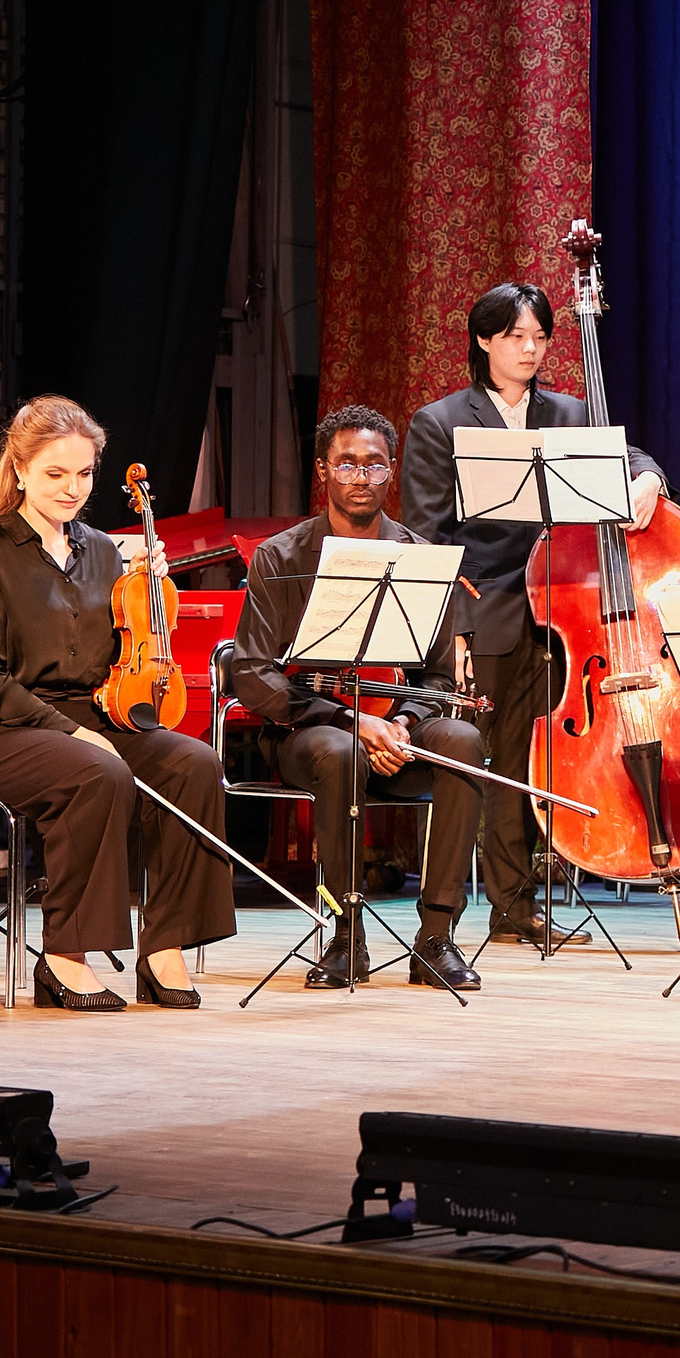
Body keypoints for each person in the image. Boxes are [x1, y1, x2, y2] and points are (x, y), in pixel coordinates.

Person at [0, 395, 236, 1010]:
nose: (72, 489)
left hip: (90, 715)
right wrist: (72, 733)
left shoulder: (102, 550)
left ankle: (165, 948)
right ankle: (65, 956)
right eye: (55, 474)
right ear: (19, 470)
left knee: (194, 763)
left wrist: (145, 592)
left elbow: (117, 652)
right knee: (96, 769)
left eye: (83, 473)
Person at [401, 280, 666, 948]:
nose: (529, 349)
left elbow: (632, 455)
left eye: (540, 337)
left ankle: (528, 899)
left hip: (565, 611)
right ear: (484, 340)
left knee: (544, 759)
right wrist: (453, 629)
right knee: (500, 760)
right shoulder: (441, 422)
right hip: (487, 606)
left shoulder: (572, 414)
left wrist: (647, 479)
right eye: (515, 336)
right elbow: (428, 536)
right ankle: (509, 905)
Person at [232, 405, 486, 990]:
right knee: (341, 752)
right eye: (347, 464)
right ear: (323, 470)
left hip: (393, 731)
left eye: (374, 466)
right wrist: (351, 721)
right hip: (308, 736)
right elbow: (252, 673)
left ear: (391, 472)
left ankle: (435, 939)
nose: (360, 478)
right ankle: (347, 938)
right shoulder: (282, 557)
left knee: (463, 740)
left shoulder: (419, 557)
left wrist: (398, 720)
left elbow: (441, 679)